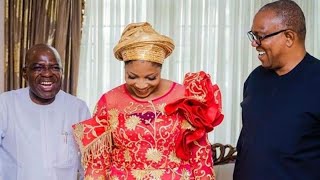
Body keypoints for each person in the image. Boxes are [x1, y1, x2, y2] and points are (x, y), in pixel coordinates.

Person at [72, 22, 224, 179]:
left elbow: (200, 155)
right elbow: (97, 164)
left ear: (160, 69)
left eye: (151, 78)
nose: (141, 85)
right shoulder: (109, 102)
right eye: (132, 76)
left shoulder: (184, 97)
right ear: (124, 69)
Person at [234, 0, 320, 179]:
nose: (254, 43)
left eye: (261, 36)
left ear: (289, 37)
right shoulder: (254, 79)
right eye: (253, 35)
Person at [0, 44, 91, 180]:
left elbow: (89, 162)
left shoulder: (78, 108)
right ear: (25, 73)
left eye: (55, 68)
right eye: (38, 68)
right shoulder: (5, 104)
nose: (47, 74)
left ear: (62, 72)